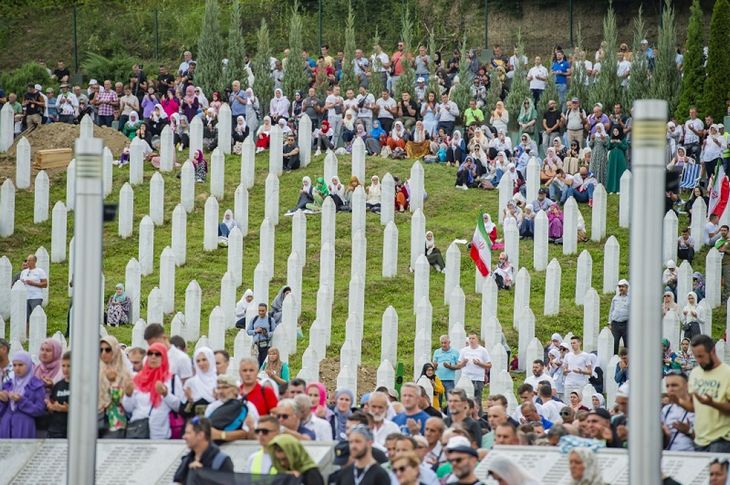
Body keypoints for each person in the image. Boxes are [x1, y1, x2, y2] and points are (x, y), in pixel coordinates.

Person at [123, 343, 183, 439]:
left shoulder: (171, 379)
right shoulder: (137, 378)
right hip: (138, 432)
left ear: (164, 357)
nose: (153, 357)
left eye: (157, 354)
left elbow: (178, 407)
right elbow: (129, 408)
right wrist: (128, 395)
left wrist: (165, 394)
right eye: (150, 354)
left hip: (160, 434)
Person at [173, 417, 234, 484]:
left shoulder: (222, 461)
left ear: (200, 435)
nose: (184, 437)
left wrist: (203, 475)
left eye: (188, 433)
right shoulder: (186, 460)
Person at [0, 351, 46, 438]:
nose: (17, 368)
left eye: (21, 365)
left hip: (24, 426)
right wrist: (3, 401)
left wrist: (21, 401)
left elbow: (39, 410)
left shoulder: (36, 385)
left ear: (28, 365)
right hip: (5, 427)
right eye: (14, 365)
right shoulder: (9, 384)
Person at [98, 335, 132, 438]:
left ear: (115, 351)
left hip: (115, 420)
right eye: (101, 350)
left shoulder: (124, 373)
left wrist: (113, 383)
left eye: (108, 350)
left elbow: (121, 400)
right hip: (95, 419)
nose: (104, 353)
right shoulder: (96, 371)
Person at [182, 347, 217, 417]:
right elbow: (183, 410)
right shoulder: (190, 383)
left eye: (204, 360)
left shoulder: (219, 381)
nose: (201, 363)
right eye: (198, 361)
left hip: (215, 422)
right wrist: (190, 400)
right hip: (195, 422)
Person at [45, 351, 70, 438]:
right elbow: (52, 403)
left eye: (69, 366)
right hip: (55, 430)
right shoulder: (58, 385)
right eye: (63, 366)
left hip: (70, 432)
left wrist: (67, 409)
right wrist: (50, 406)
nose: (65, 369)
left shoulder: (79, 386)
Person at [19, 254, 47, 329]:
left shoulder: (40, 271)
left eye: (29, 260)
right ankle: (27, 335)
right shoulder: (23, 272)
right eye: (27, 260)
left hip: (36, 297)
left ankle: (37, 331)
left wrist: (33, 283)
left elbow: (45, 284)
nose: (27, 262)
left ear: (34, 261)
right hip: (25, 297)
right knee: (26, 317)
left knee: (35, 315)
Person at [247, 303, 278, 367]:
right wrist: (256, 331)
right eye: (259, 310)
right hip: (255, 346)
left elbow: (274, 332)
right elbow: (248, 331)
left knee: (264, 364)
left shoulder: (270, 320)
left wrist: (266, 333)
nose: (261, 312)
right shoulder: (254, 319)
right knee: (255, 364)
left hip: (265, 346)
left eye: (262, 311)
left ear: (266, 310)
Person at [563, 336, 592, 401]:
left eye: (574, 343)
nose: (573, 345)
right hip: (569, 383)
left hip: (580, 384)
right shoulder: (567, 355)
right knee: (568, 402)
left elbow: (590, 372)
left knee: (580, 402)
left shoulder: (585, 355)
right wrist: (565, 371)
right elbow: (564, 371)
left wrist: (580, 371)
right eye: (571, 343)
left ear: (579, 343)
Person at [605, 126, 628, 193]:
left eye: (617, 131)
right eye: (614, 131)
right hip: (612, 157)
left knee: (619, 171)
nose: (615, 132)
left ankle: (619, 189)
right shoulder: (610, 138)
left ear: (619, 131)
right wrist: (611, 142)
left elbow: (625, 147)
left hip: (620, 157)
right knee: (611, 171)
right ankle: (611, 189)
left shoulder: (623, 139)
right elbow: (608, 147)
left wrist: (619, 143)